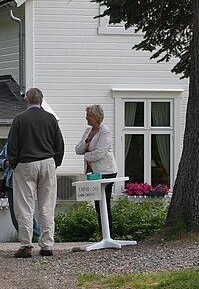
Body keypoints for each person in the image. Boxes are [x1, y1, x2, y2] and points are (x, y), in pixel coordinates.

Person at [7, 88, 64, 258]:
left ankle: (26, 245)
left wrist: (14, 162)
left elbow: (12, 145)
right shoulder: (50, 118)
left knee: (25, 205)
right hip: (47, 161)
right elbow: (59, 144)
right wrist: (56, 162)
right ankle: (47, 245)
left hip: (26, 163)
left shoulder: (19, 119)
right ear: (41, 100)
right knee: (47, 205)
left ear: (26, 101)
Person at [74, 104, 118, 234]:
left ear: (96, 116)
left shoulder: (105, 131)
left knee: (104, 203)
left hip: (107, 172)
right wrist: (87, 141)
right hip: (94, 172)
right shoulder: (88, 131)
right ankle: (103, 233)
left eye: (89, 115)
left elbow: (100, 153)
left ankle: (108, 233)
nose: (86, 118)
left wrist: (86, 155)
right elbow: (78, 150)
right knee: (98, 204)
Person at [0, 142, 40, 241]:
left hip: (26, 181)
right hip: (11, 182)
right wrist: (6, 163)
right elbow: (0, 159)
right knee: (15, 215)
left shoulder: (30, 142)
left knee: (27, 212)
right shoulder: (10, 144)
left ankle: (38, 236)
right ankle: (24, 239)